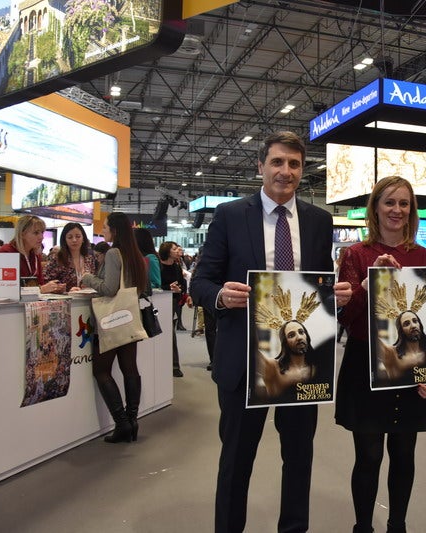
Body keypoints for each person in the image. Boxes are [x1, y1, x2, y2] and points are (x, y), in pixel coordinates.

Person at [188, 131, 352, 533]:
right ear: (260, 166)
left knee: (299, 458)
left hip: (301, 364)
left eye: (294, 164)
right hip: (244, 360)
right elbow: (201, 282)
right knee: (237, 460)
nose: (286, 171)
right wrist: (221, 297)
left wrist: (336, 297)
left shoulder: (318, 220)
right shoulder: (229, 215)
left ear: (302, 170)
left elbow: (317, 288)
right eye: (277, 162)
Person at [336, 175, 426, 533]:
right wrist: (368, 282)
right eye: (389, 202)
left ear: (412, 211)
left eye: (404, 203)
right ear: (375, 208)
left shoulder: (423, 257)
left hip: (409, 368)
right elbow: (345, 319)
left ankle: (398, 525)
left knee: (404, 454)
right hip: (365, 366)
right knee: (368, 455)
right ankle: (362, 527)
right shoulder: (355, 255)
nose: (397, 210)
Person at [79, 212, 148, 443]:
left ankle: (122, 423)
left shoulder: (112, 253)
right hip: (129, 317)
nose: (103, 229)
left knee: (101, 370)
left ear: (115, 230)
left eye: (106, 226)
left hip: (110, 319)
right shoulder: (135, 255)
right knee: (130, 369)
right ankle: (132, 420)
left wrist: (87, 278)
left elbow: (109, 289)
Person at [0, 215, 64, 294]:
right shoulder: (7, 252)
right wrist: (41, 289)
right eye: (36, 233)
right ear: (22, 234)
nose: (41, 237)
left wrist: (53, 289)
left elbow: (40, 284)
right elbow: (7, 289)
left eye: (42, 232)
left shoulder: (35, 255)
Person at [258, 319, 316, 400]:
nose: (299, 337)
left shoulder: (316, 365)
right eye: (291, 335)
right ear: (285, 343)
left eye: (301, 332)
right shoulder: (274, 367)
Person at [159, 241, 186, 378]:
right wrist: (168, 288)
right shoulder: (158, 266)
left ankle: (175, 365)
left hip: (173, 302)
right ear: (167, 251)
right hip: (160, 302)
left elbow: (182, 282)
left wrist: (179, 290)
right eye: (174, 249)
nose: (177, 251)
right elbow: (155, 285)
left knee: (171, 334)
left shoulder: (176, 267)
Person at [44, 223, 96, 291]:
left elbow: (94, 279)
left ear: (83, 239)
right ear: (65, 240)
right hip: (64, 298)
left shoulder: (89, 259)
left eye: (78, 236)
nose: (74, 240)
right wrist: (64, 289)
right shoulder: (57, 258)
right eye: (70, 237)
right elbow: (45, 282)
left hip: (86, 297)